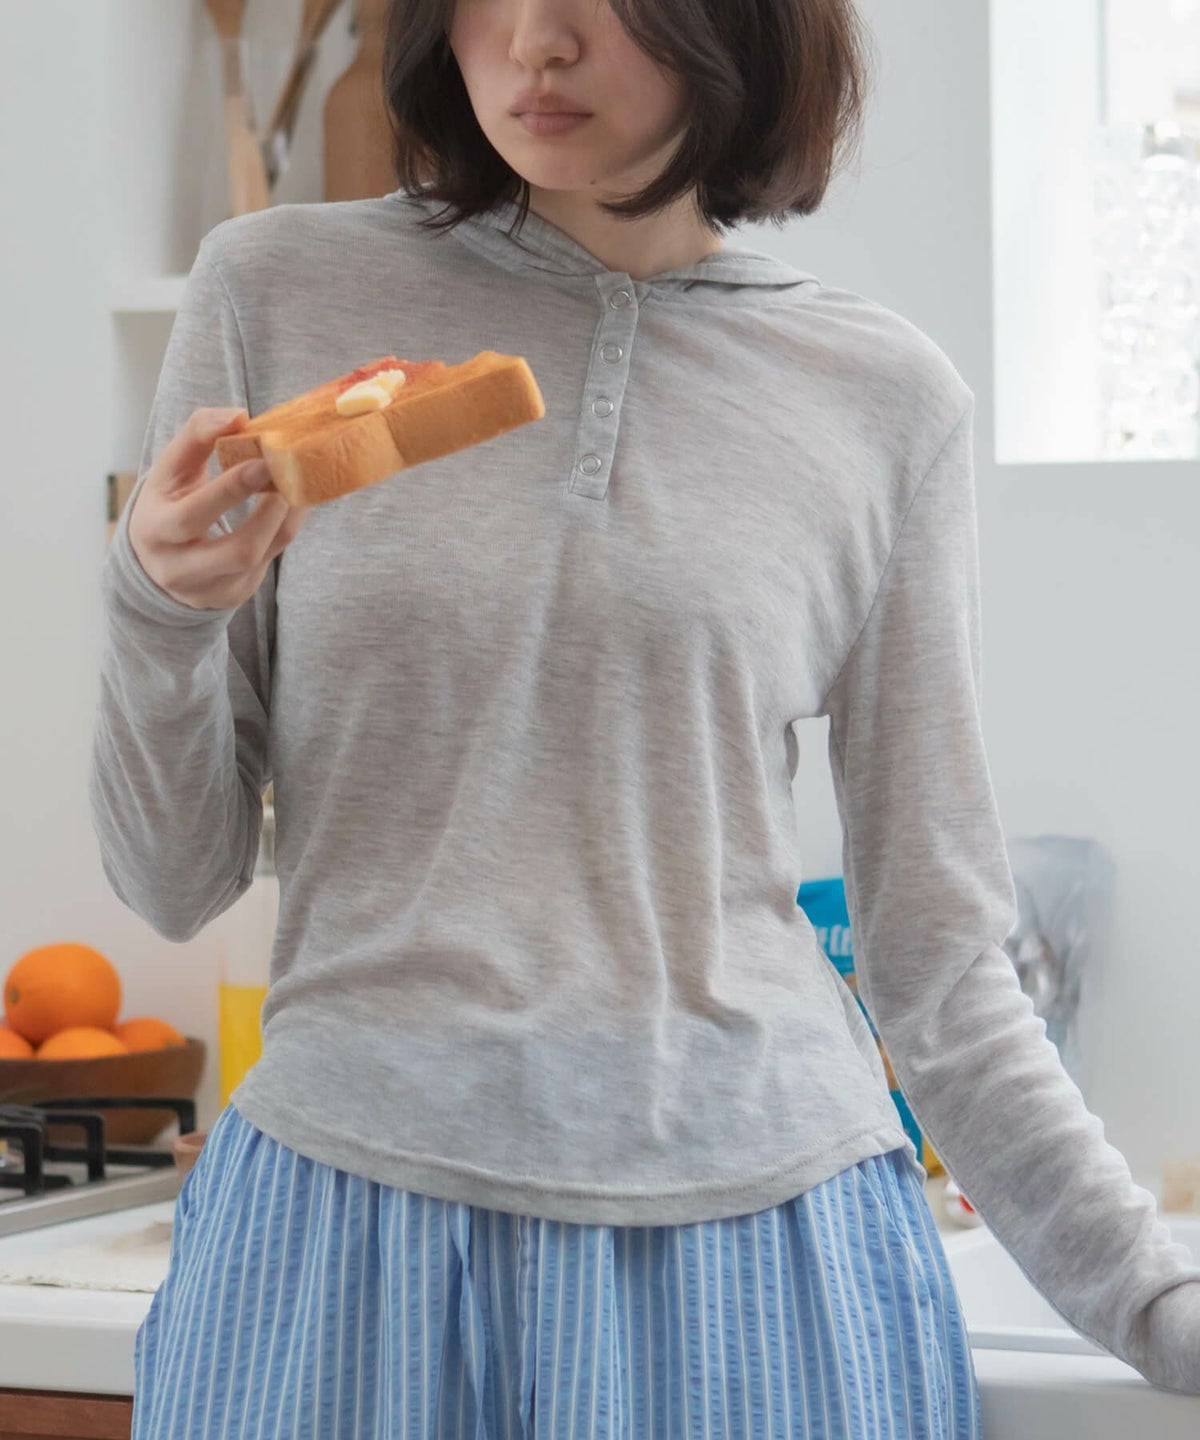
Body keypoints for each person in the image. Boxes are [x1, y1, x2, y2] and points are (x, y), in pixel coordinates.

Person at [91, 0, 1200, 1435]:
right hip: (339, 1236)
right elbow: (172, 879)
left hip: (769, 1260)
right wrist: (158, 607)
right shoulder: (275, 292)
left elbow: (940, 970)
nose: (535, 42)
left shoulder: (885, 400)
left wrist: (1161, 1302)